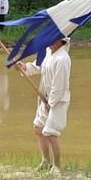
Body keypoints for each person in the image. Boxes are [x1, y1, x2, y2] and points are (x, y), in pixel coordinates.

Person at [15, 36, 72, 172]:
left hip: (57, 101)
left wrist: (50, 103)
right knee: (38, 128)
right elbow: (39, 65)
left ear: (60, 41)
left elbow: (59, 86)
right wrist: (25, 67)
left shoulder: (63, 59)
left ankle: (56, 166)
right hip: (44, 97)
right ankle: (45, 161)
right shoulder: (48, 52)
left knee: (51, 133)